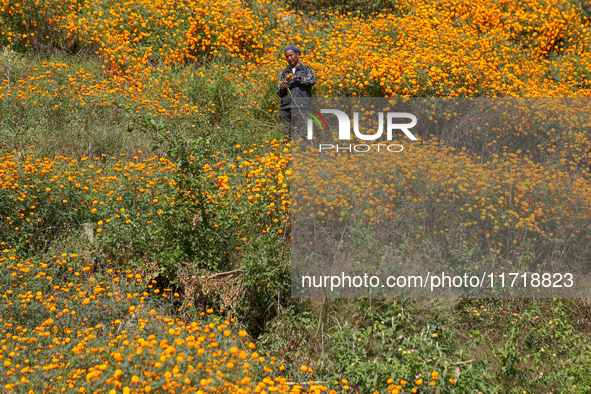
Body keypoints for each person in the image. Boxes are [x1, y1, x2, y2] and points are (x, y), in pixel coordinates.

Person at [277, 45, 316, 139]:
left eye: (291, 55)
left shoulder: (307, 69)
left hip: (301, 107)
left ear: (297, 54)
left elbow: (311, 81)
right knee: (285, 134)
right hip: (286, 108)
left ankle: (304, 152)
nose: (289, 58)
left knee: (303, 134)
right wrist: (283, 86)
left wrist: (296, 79)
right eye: (287, 57)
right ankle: (286, 152)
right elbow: (278, 91)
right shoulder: (284, 72)